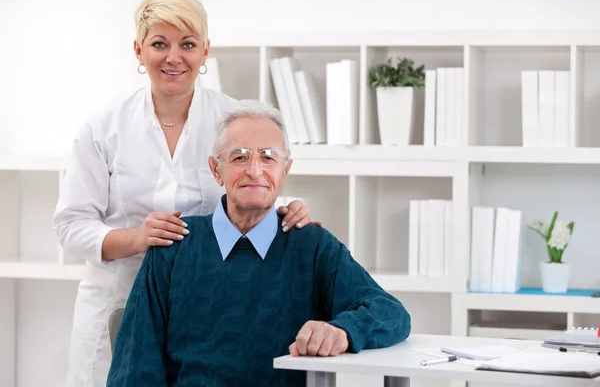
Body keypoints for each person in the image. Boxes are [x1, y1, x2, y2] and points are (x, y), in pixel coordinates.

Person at [52, 0, 319, 387]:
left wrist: (285, 209)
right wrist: (135, 238)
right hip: (117, 303)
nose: (173, 57)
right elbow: (70, 226)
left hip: (201, 308)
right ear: (139, 50)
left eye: (188, 45)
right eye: (159, 43)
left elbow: (248, 186)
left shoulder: (234, 119)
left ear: (205, 51)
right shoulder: (102, 128)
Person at [106, 100, 411, 386]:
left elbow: (390, 312)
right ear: (216, 170)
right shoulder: (173, 246)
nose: (255, 170)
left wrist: (344, 330)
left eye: (268, 157)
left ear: (285, 170)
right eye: (240, 156)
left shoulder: (311, 245)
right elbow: (134, 365)